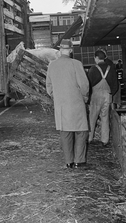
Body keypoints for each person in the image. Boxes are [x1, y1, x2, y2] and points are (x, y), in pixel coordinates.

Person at [46, 39, 90, 169]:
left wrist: (58, 96)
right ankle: (79, 161)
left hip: (61, 105)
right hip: (76, 103)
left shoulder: (52, 65)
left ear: (60, 50)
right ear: (71, 50)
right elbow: (84, 85)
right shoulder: (76, 63)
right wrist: (84, 97)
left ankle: (68, 162)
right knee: (81, 132)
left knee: (65, 133)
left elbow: (49, 87)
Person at [87, 49, 119, 146]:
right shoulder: (111, 69)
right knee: (105, 118)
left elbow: (88, 85)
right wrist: (110, 94)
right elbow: (115, 85)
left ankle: (89, 138)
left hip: (95, 95)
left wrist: (88, 97)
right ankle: (105, 140)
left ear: (96, 58)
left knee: (92, 117)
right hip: (107, 95)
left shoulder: (93, 69)